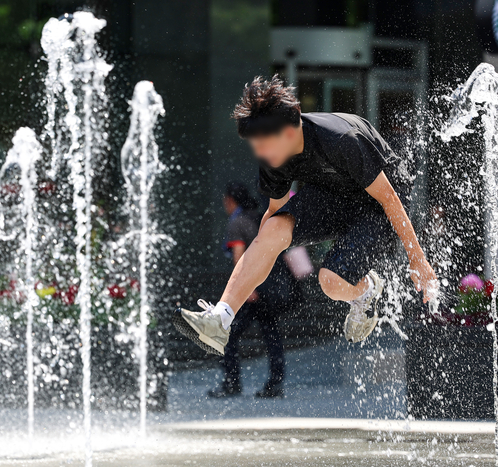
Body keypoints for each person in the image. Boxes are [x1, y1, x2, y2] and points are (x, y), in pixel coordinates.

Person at [173, 75, 437, 357]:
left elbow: (389, 199)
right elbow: (275, 214)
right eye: (254, 144)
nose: (259, 152)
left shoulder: (341, 139)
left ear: (289, 132)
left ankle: (366, 290)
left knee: (330, 282)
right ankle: (220, 320)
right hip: (330, 196)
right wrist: (262, 254)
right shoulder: (273, 156)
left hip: (376, 205)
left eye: (264, 144)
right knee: (273, 229)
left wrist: (417, 257)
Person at [208, 181, 285, 398]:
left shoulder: (237, 222)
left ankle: (231, 383)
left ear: (230, 200)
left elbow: (239, 257)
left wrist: (245, 289)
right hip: (269, 285)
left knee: (227, 334)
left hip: (252, 291)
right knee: (272, 335)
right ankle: (275, 384)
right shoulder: (259, 218)